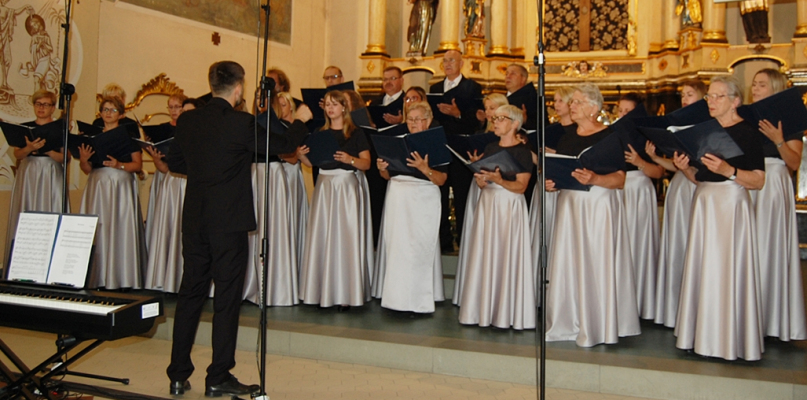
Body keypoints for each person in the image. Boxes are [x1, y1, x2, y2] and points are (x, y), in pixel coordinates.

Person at [165, 61, 307, 397]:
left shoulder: (188, 119)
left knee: (190, 294)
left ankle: (177, 374)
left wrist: (207, 168)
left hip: (196, 219)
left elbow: (175, 162)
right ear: (239, 88)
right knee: (226, 299)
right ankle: (217, 377)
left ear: (211, 83)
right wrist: (300, 122)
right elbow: (282, 144)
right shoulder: (241, 123)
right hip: (228, 221)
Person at [673, 76, 765, 361]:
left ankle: (729, 338)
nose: (710, 102)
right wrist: (684, 168)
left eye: (717, 97)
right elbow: (700, 179)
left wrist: (730, 170)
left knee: (728, 269)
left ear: (735, 101)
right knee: (703, 266)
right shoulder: (704, 131)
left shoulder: (748, 133)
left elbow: (759, 181)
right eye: (709, 97)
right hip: (705, 202)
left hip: (731, 203)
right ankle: (699, 334)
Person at [545, 83, 640, 347]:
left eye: (576, 102)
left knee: (596, 263)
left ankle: (599, 324)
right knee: (568, 263)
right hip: (570, 206)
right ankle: (567, 321)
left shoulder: (609, 136)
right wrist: (551, 184)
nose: (571, 106)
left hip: (597, 207)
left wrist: (595, 177)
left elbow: (620, 179)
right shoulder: (567, 137)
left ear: (593, 108)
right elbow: (560, 170)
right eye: (571, 101)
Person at [457, 104, 535, 330]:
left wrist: (500, 181)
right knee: (485, 253)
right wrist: (480, 181)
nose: (495, 121)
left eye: (501, 118)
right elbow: (483, 176)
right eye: (495, 117)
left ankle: (506, 311)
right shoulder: (490, 147)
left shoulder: (522, 151)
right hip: (489, 204)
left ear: (514, 124)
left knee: (506, 254)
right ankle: (481, 309)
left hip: (509, 205)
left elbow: (521, 186)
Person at [298, 90, 374, 310]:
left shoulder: (356, 133)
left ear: (343, 108)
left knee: (345, 239)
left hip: (346, 186)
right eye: (327, 105)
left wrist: (350, 159)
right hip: (325, 185)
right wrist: (301, 154)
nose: (330, 108)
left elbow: (366, 164)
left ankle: (346, 293)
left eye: (334, 104)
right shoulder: (319, 133)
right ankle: (320, 289)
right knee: (323, 236)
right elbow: (311, 164)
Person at [748, 68, 806, 341]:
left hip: (774, 185)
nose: (755, 89)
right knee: (748, 248)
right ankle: (747, 312)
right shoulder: (746, 118)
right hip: (748, 184)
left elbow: (794, 163)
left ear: (775, 88)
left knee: (769, 247)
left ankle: (771, 318)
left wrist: (778, 140)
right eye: (754, 84)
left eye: (761, 85)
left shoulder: (789, 117)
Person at [373, 101, 447, 313]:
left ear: (428, 121)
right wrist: (382, 169)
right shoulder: (398, 140)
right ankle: (395, 300)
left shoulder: (436, 143)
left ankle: (418, 302)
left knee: (419, 248)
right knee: (397, 248)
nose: (413, 124)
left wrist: (425, 168)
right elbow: (388, 176)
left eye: (418, 119)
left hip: (423, 196)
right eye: (410, 119)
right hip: (398, 196)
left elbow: (441, 179)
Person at [242, 96, 313, 306]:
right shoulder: (250, 123)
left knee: (274, 229)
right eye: (257, 98)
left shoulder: (282, 126)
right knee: (252, 229)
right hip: (254, 175)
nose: (260, 102)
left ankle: (276, 286)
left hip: (273, 174)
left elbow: (290, 155)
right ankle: (250, 283)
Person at [649, 79, 706, 328]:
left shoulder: (706, 127)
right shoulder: (678, 126)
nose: (684, 99)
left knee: (691, 243)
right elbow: (677, 167)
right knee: (676, 244)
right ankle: (674, 308)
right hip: (680, 187)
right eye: (683, 94)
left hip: (697, 187)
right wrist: (654, 158)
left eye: (690, 94)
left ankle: (694, 308)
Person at [79, 96, 145, 290]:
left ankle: (122, 276)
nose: (108, 113)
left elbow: (137, 165)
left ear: (121, 114)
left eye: (113, 110)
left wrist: (119, 164)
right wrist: (84, 159)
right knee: (99, 228)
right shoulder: (93, 137)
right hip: (98, 184)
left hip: (120, 185)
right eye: (105, 109)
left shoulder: (128, 137)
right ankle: (97, 276)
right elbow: (87, 169)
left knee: (119, 227)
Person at [453, 92, 507, 306]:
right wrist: (475, 162)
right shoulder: (480, 134)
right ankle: (473, 285)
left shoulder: (511, 136)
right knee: (478, 236)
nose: (489, 113)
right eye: (487, 109)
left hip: (502, 192)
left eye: (493, 108)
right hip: (480, 188)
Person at [143, 97, 202, 293]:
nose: (183, 114)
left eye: (188, 111)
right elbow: (165, 168)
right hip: (172, 184)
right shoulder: (177, 135)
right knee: (171, 230)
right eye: (181, 111)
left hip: (192, 185)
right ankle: (168, 278)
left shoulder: (205, 135)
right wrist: (156, 157)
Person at [429, 49, 483, 252]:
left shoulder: (472, 87)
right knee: (438, 195)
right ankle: (442, 242)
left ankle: (464, 241)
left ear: (462, 63)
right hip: (439, 147)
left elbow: (477, 121)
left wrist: (458, 113)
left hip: (461, 149)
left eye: (452, 60)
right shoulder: (435, 87)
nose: (448, 63)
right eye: (445, 61)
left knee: (462, 196)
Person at [4, 90, 65, 267]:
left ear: (53, 108)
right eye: (38, 104)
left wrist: (48, 151)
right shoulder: (26, 127)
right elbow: (18, 153)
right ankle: (23, 261)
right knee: (27, 209)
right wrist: (29, 147)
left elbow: (65, 157)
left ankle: (49, 262)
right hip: (29, 171)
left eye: (46, 104)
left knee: (49, 210)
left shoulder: (59, 129)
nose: (41, 108)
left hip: (50, 171)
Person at [528, 86, 575, 301]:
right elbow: (538, 161)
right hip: (544, 184)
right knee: (543, 233)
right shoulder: (548, 130)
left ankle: (562, 290)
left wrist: (555, 154)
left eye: (559, 100)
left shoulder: (577, 132)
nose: (555, 105)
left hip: (564, 187)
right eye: (554, 101)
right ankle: (540, 291)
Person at [145, 94, 186, 257]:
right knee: (163, 220)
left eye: (177, 106)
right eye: (170, 107)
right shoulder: (163, 128)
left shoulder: (188, 128)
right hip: (164, 176)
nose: (173, 110)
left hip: (180, 177)